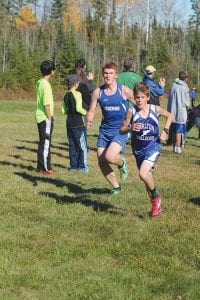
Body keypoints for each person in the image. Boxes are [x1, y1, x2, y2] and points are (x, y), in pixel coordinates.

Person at [120, 82, 173, 217]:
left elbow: (170, 116)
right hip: (138, 150)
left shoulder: (155, 109)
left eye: (142, 97)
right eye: (137, 97)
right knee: (146, 178)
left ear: (147, 97)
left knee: (143, 174)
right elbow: (122, 129)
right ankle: (156, 207)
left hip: (153, 147)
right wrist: (131, 128)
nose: (139, 100)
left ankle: (156, 199)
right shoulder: (131, 111)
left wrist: (165, 130)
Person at [86, 62, 135, 195]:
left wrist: (140, 118)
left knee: (109, 157)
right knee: (101, 161)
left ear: (116, 75)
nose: (108, 75)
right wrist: (89, 120)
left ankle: (121, 163)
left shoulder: (123, 90)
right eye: (106, 73)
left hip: (121, 130)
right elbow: (91, 110)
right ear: (103, 74)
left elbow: (140, 103)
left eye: (111, 73)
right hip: (105, 130)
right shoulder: (98, 92)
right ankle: (116, 187)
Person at [62, 74, 89, 172]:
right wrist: (86, 112)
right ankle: (83, 167)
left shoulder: (65, 95)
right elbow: (78, 108)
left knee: (72, 145)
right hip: (78, 123)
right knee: (82, 145)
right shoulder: (77, 94)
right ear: (76, 84)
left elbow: (63, 110)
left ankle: (73, 166)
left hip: (69, 123)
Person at [35, 59, 56, 176]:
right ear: (51, 71)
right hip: (44, 117)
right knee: (46, 143)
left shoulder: (39, 82)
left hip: (40, 116)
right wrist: (50, 118)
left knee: (44, 142)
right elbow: (46, 104)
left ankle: (44, 166)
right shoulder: (46, 85)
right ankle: (44, 168)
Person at [167, 71, 190, 154]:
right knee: (179, 131)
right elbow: (187, 102)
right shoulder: (185, 87)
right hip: (181, 111)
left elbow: (170, 99)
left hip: (173, 110)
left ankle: (174, 146)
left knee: (174, 130)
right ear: (186, 78)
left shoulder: (173, 86)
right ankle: (177, 147)